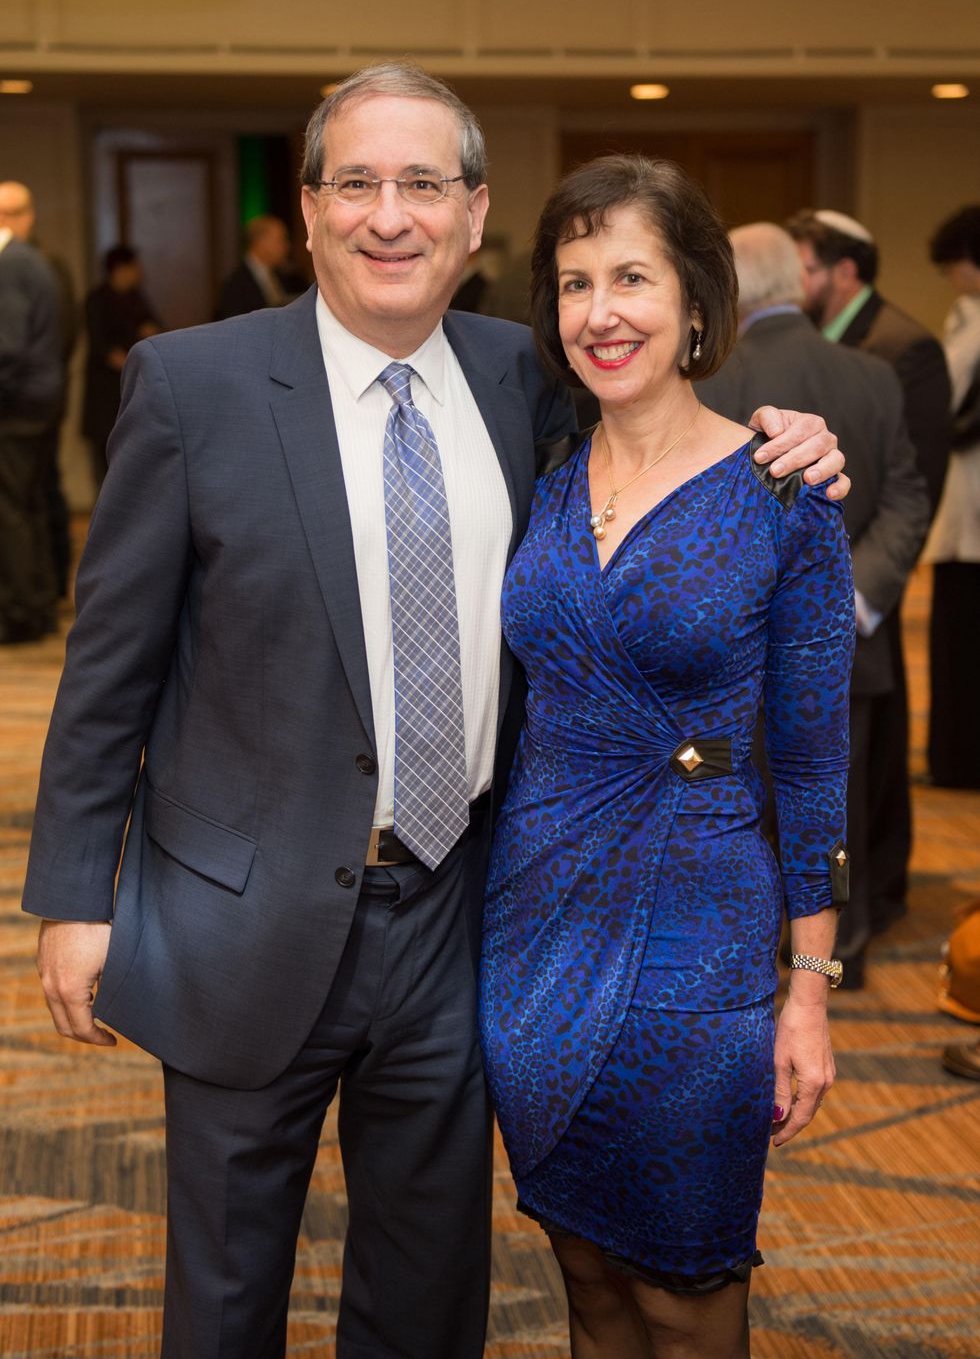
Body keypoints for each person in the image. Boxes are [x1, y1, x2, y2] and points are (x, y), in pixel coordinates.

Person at [24, 65, 847, 1359]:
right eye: (356, 182)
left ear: (473, 217)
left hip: (465, 921)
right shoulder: (193, 385)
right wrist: (76, 899)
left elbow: (675, 443)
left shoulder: (530, 374)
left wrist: (791, 433)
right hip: (242, 915)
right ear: (306, 210)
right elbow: (107, 669)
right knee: (227, 1294)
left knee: (426, 1292)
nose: (388, 215)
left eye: (424, 184)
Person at [480, 160, 854, 1359]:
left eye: (631, 277)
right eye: (574, 283)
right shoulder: (541, 485)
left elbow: (806, 758)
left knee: (686, 1294)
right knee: (583, 1276)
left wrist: (809, 989)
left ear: (695, 300)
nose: (601, 312)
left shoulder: (780, 489)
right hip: (534, 917)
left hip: (697, 932)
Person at [706, 223, 929, 988]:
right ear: (797, 283)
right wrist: (854, 600)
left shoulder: (706, 381)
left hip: (729, 651)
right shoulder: (871, 376)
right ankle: (844, 953)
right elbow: (905, 498)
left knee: (744, 803)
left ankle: (759, 959)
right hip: (856, 647)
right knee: (838, 802)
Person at [787, 208, 951, 930]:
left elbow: (918, 482)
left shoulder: (903, 346)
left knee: (869, 765)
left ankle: (874, 898)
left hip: (865, 597)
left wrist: (862, 591)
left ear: (843, 271)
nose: (799, 281)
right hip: (816, 602)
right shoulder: (825, 338)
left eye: (809, 267)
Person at [922, 206, 980, 789]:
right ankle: (956, 756)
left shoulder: (973, 319)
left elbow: (952, 403)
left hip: (973, 504)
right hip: (965, 507)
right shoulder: (966, 316)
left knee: (962, 639)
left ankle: (960, 759)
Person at [0, 180, 80, 598]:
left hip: (23, 402)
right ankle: (43, 595)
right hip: (43, 396)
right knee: (34, 496)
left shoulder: (21, 263)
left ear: (26, 217)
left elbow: (13, 347)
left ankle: (27, 605)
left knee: (20, 504)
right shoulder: (41, 263)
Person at [0, 211, 62, 642]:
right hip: (37, 402)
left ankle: (20, 614)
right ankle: (37, 607)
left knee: (11, 510)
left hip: (17, 406)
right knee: (28, 504)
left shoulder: (12, 263)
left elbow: (8, 347)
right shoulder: (32, 258)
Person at [82, 245, 162, 487]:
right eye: (135, 267)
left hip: (133, 390)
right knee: (105, 463)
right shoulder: (97, 300)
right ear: (120, 269)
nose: (140, 272)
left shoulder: (137, 298)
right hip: (105, 394)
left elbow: (156, 329)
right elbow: (102, 348)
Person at [215, 214, 294, 319]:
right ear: (261, 243)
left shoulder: (282, 277)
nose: (287, 246)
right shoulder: (235, 284)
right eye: (280, 240)